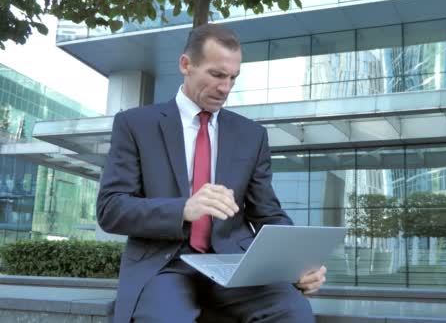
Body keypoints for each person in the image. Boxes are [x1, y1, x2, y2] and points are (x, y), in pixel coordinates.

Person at [97, 23, 326, 323]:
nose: (226, 88)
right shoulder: (135, 124)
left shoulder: (251, 135)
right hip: (163, 265)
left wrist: (298, 262)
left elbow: (268, 213)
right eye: (217, 75)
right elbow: (111, 208)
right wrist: (183, 208)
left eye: (233, 77)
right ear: (186, 65)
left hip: (233, 265)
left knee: (294, 312)